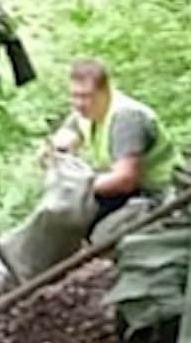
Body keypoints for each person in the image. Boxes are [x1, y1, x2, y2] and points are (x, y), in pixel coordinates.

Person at [46, 58, 184, 230]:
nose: (79, 104)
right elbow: (63, 140)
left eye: (86, 96)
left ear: (105, 91)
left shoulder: (126, 118)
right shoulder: (84, 113)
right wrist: (55, 151)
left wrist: (79, 186)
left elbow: (125, 180)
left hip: (159, 194)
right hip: (131, 191)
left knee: (99, 229)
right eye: (74, 96)